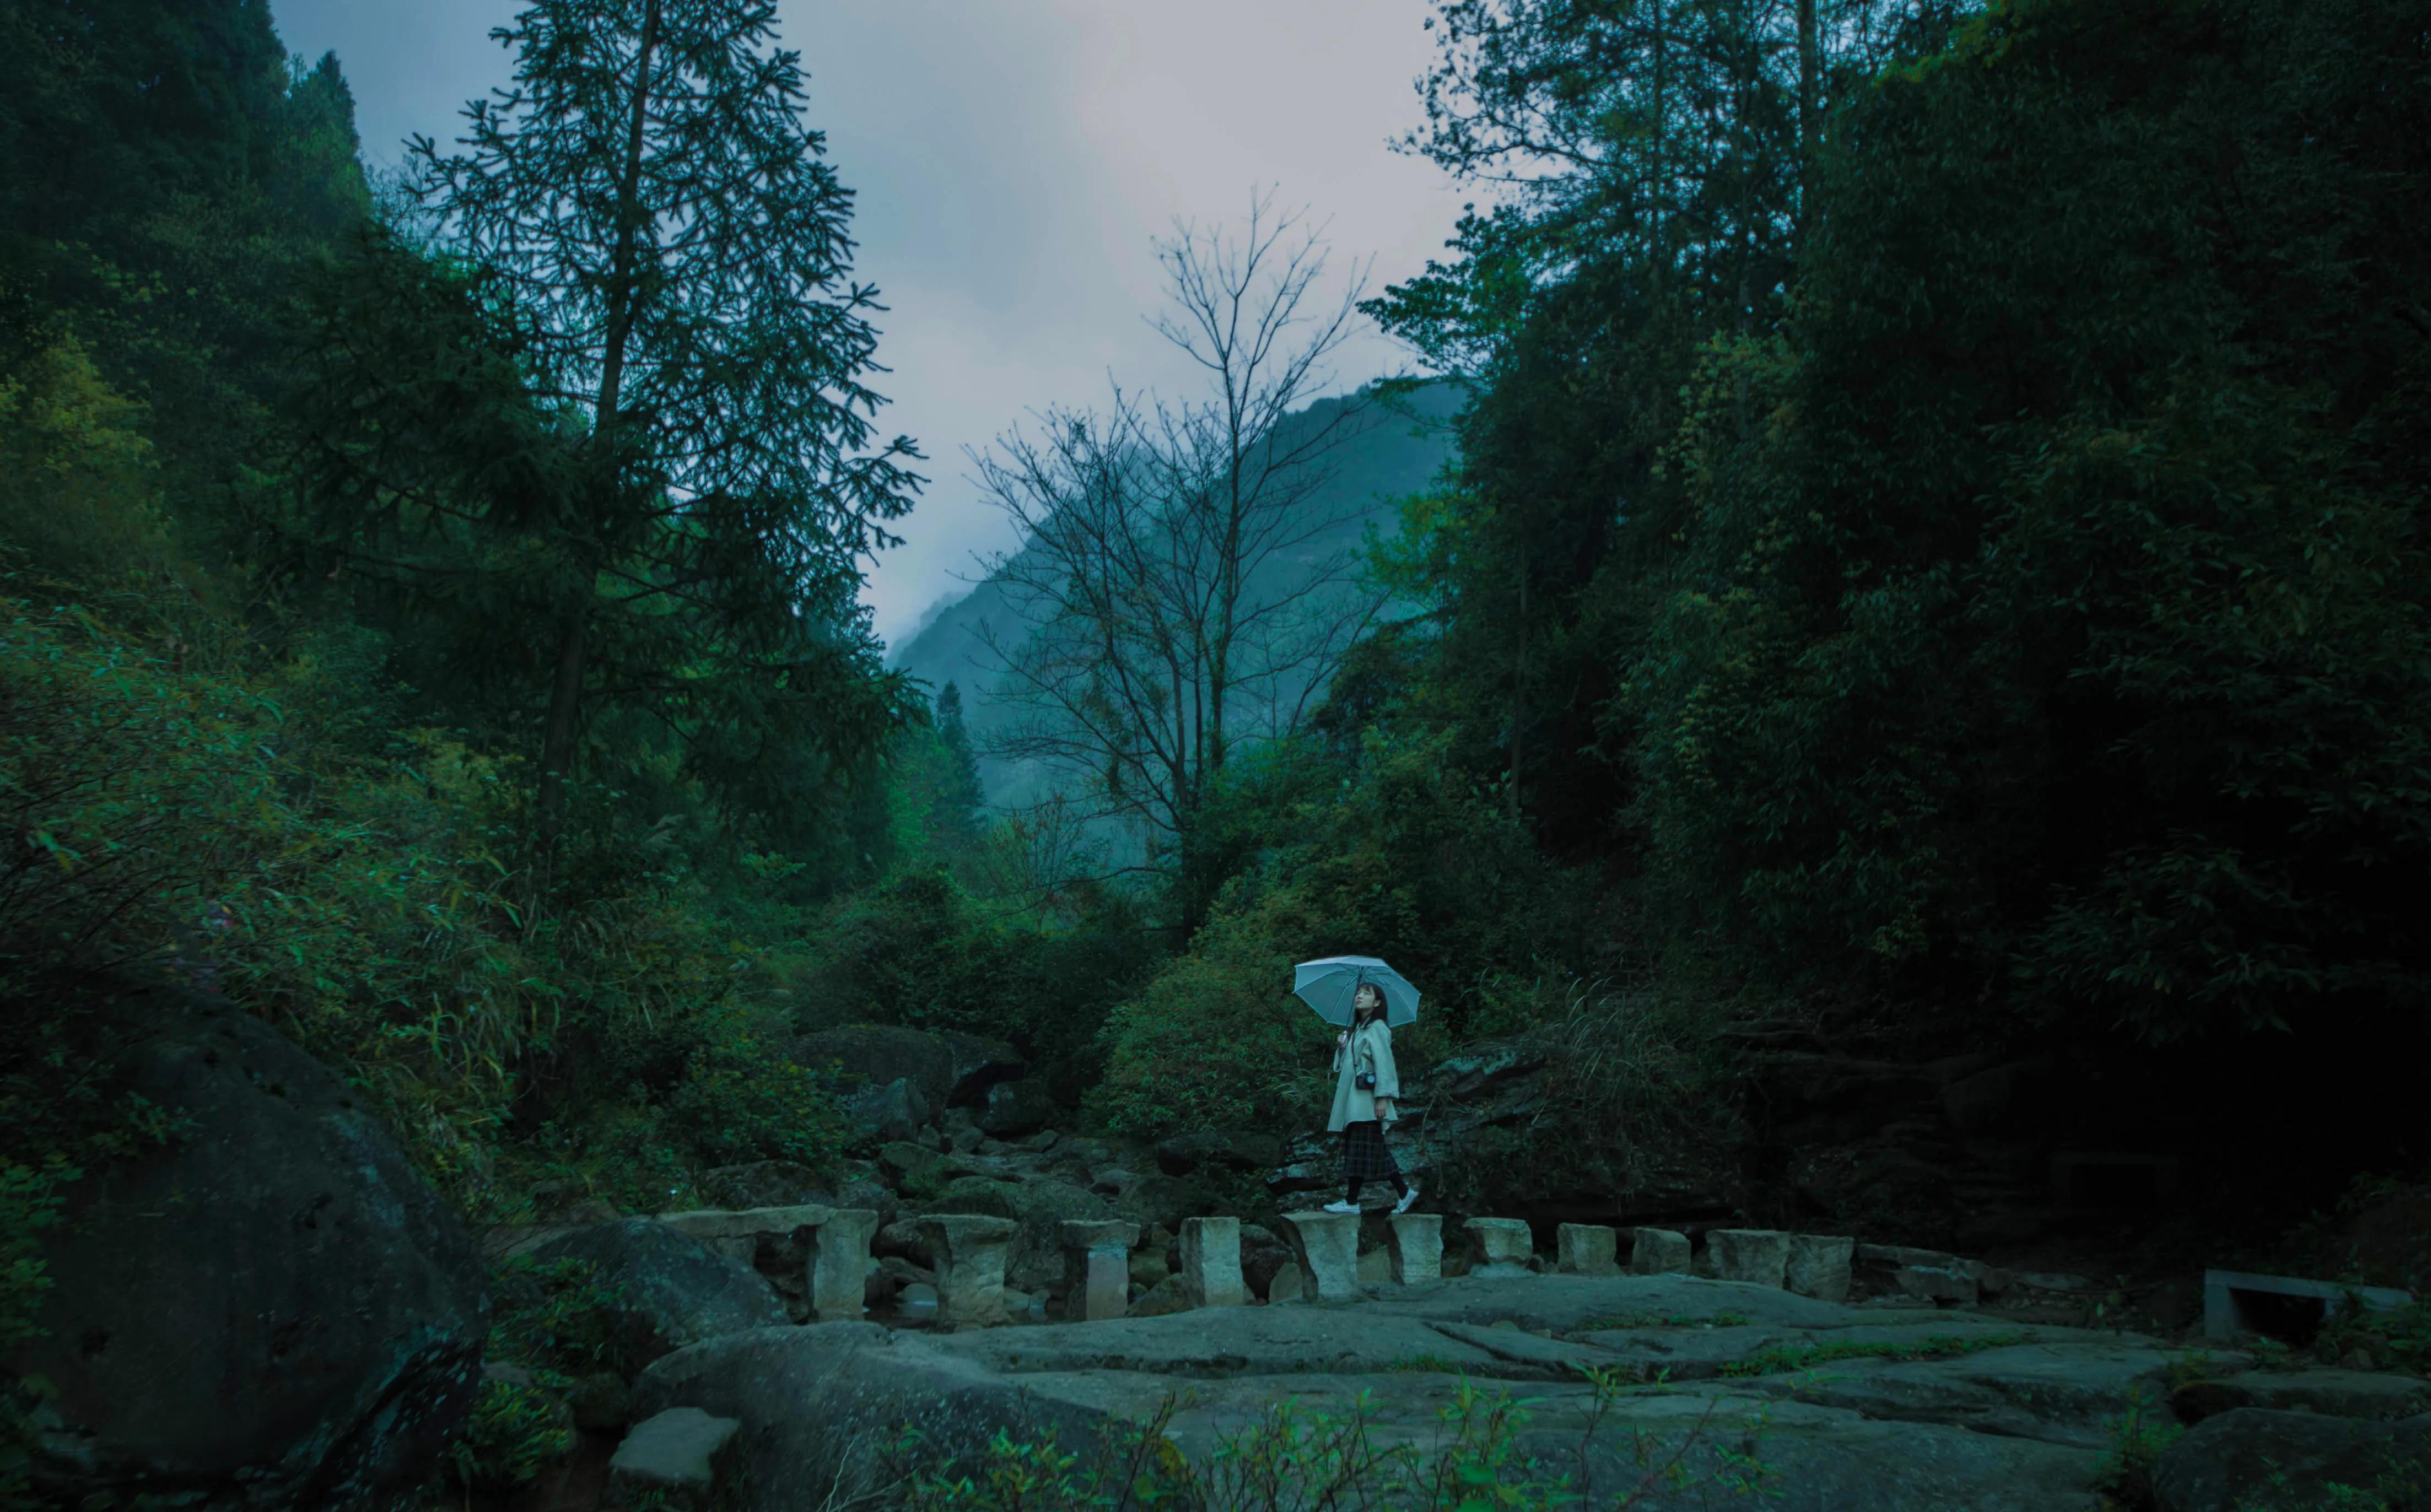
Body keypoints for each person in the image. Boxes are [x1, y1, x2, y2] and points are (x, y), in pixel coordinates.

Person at [1324, 982, 1419, 1215]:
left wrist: (1383, 1098)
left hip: (1367, 1099)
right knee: (1361, 1148)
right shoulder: (1360, 1030)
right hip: (1356, 1099)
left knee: (1370, 1147)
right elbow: (1345, 1066)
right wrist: (1343, 1047)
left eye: (1366, 994)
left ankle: (1401, 1193)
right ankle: (1354, 1201)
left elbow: (1385, 1064)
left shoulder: (1378, 1028)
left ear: (1376, 1003)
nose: (1360, 996)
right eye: (1359, 992)